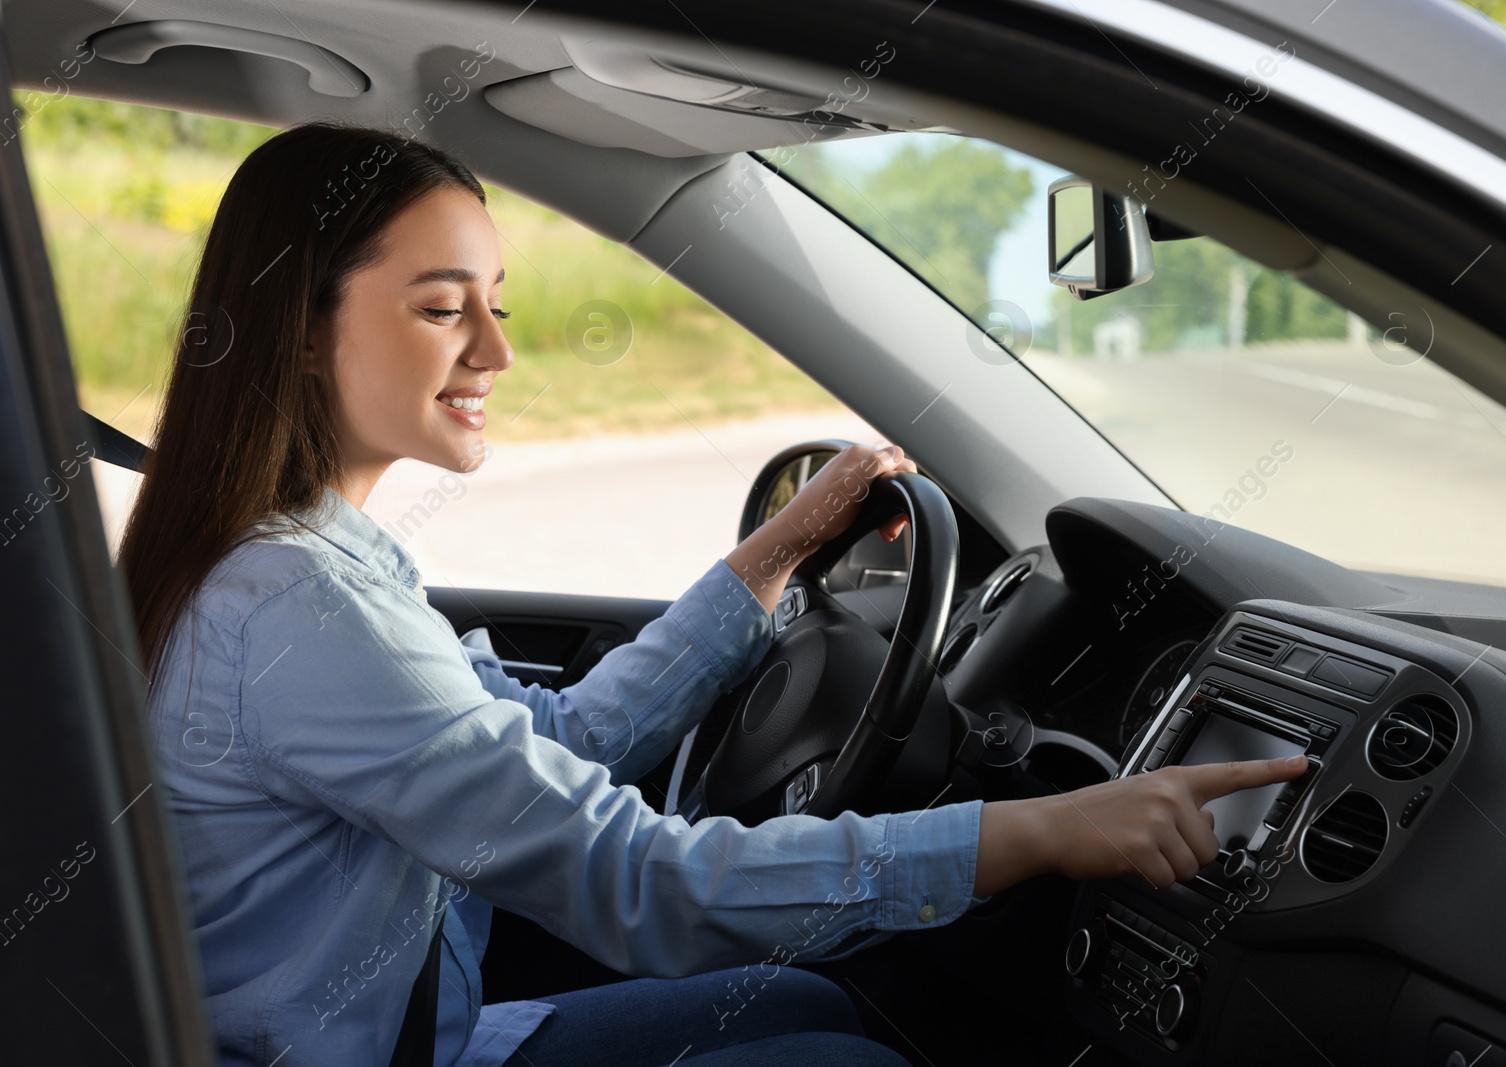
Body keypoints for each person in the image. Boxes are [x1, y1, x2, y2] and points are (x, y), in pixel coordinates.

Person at [119, 122, 1305, 1067]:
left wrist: (771, 560)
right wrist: (1041, 824)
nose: (496, 352)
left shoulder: (312, 560)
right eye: (443, 308)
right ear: (304, 331)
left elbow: (557, 742)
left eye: (500, 306)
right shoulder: (294, 603)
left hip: (422, 1033)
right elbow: (638, 882)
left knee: (803, 999)